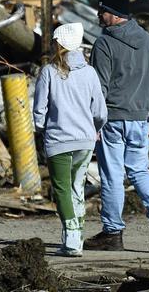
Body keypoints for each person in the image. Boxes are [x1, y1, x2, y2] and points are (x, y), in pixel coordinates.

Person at [85, 0, 149, 253]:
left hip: (112, 118)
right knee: (139, 170)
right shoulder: (148, 40)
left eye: (102, 10)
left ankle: (112, 233)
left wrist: (94, 121)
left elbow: (98, 87)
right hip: (139, 120)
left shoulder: (105, 43)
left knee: (112, 176)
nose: (99, 15)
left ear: (114, 14)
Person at [32, 21, 107, 257]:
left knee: (62, 190)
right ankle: (76, 237)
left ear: (59, 44)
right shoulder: (90, 73)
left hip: (58, 141)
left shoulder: (48, 72)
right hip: (85, 140)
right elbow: (100, 112)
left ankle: (73, 238)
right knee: (77, 188)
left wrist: (43, 129)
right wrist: (94, 128)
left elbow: (39, 112)